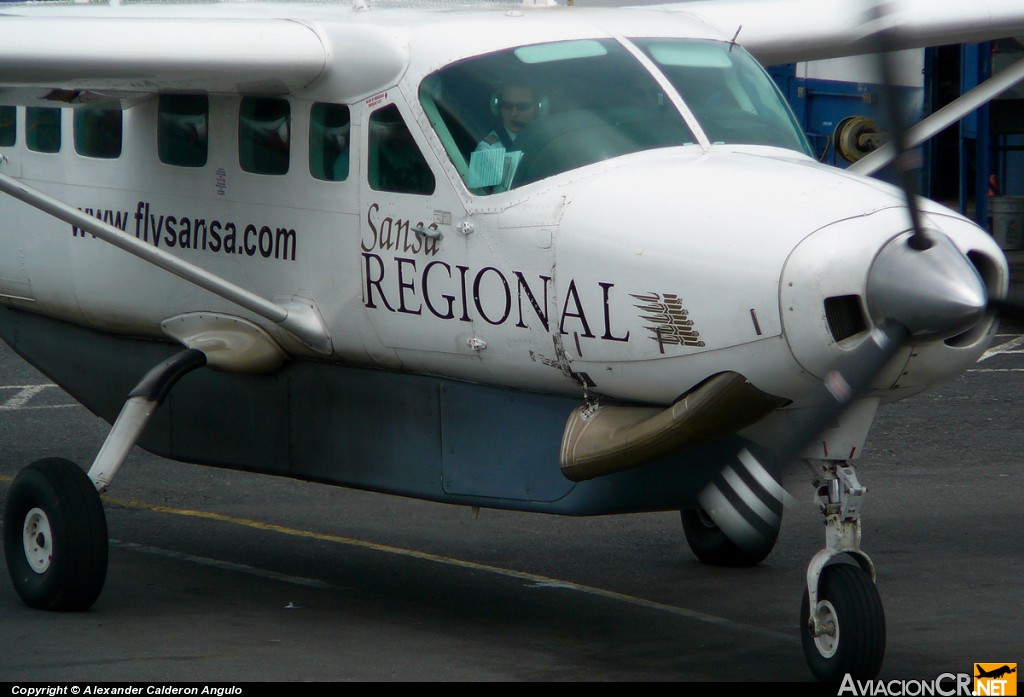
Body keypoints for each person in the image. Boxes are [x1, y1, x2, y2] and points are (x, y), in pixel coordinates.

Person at [477, 83, 539, 151]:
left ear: (537, 109)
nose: (514, 113)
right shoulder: (487, 149)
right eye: (507, 106)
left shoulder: (547, 141)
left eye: (522, 107)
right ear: (498, 107)